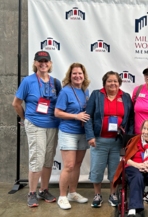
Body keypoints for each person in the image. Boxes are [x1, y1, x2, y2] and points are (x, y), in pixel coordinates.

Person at [12, 51, 61, 207]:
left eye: (46, 61)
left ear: (50, 64)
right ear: (35, 63)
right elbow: (16, 104)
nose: (43, 63)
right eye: (40, 61)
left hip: (52, 126)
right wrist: (26, 119)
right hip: (35, 124)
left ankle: (43, 190)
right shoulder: (28, 81)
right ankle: (32, 192)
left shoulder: (55, 82)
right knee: (37, 159)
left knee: (47, 160)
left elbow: (59, 103)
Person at [85, 71, 135, 208]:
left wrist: (128, 139)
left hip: (118, 142)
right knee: (97, 169)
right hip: (99, 140)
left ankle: (113, 194)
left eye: (115, 81)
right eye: (109, 81)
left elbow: (131, 119)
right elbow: (87, 117)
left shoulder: (125, 97)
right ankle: (97, 195)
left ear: (119, 83)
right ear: (104, 83)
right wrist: (90, 136)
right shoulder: (96, 95)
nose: (113, 84)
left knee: (115, 170)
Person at [54, 63, 91, 209]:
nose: (77, 76)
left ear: (84, 76)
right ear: (70, 76)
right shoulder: (65, 91)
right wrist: (76, 116)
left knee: (77, 165)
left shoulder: (85, 91)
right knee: (69, 165)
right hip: (68, 132)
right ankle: (62, 196)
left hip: (82, 133)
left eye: (80, 73)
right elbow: (57, 112)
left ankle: (72, 193)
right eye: (74, 73)